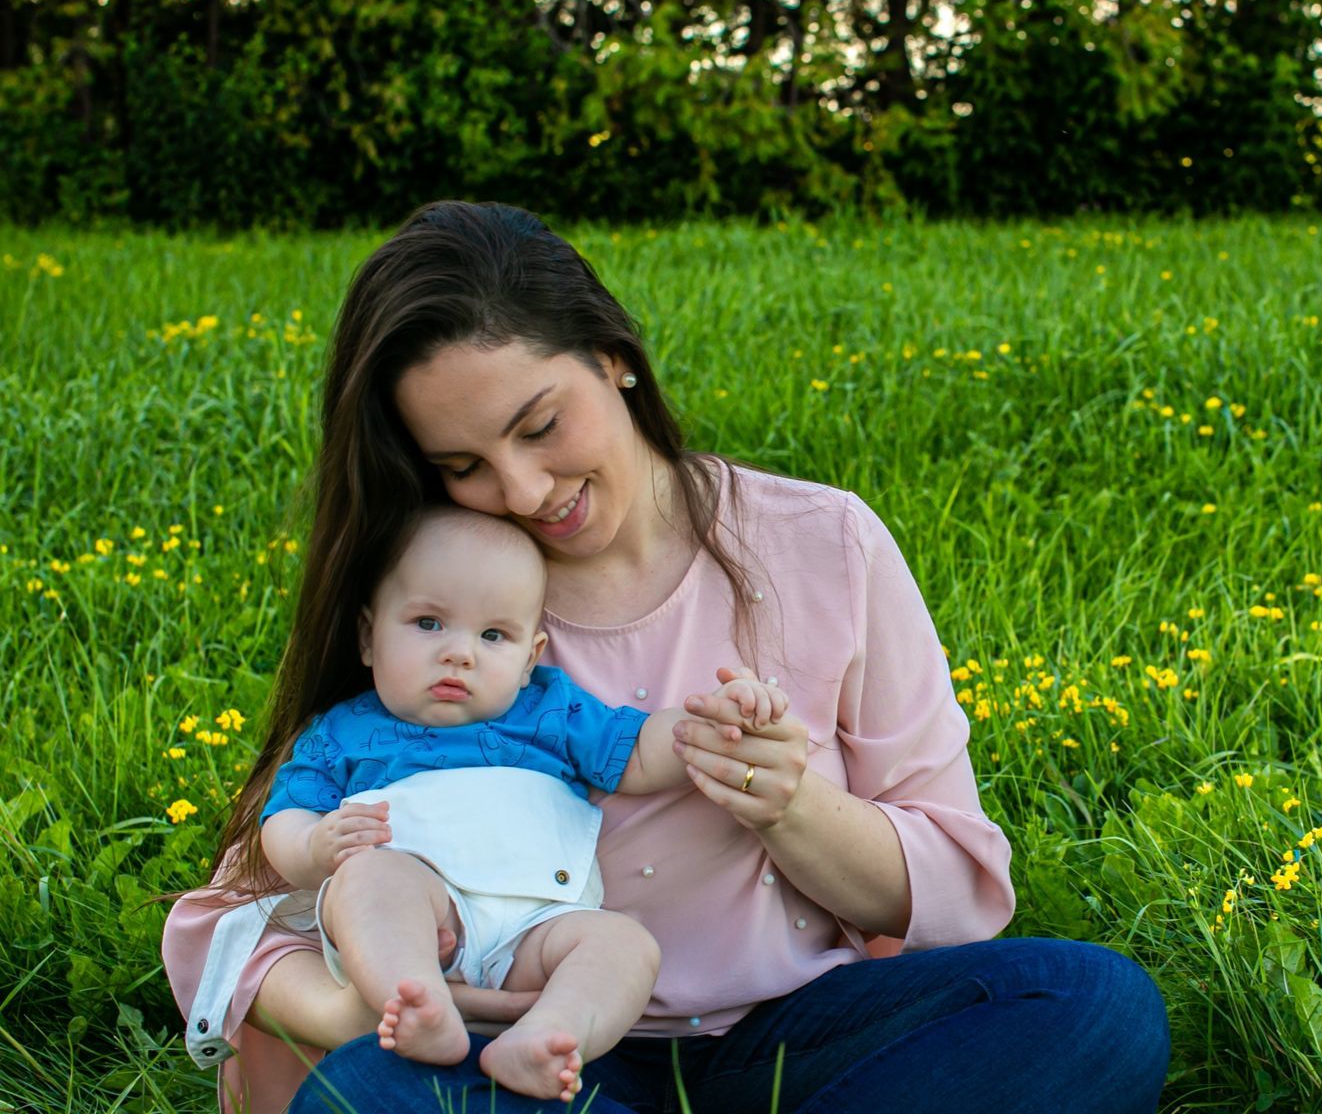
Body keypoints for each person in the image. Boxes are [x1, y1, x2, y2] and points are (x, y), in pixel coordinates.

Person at [163, 200, 1171, 1113]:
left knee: (1093, 1005)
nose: (521, 490)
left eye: (540, 426)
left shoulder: (824, 542)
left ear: (614, 357)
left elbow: (960, 891)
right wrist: (359, 1011)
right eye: (463, 465)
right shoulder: (443, 599)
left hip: (801, 1031)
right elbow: (224, 921)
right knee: (371, 1093)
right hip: (541, 1054)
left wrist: (790, 805)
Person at [253, 503, 787, 1101]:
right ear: (367, 637)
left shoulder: (549, 709)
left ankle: (548, 1036)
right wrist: (313, 846)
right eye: (428, 623)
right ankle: (415, 997)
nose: (460, 653)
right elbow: (285, 816)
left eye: (492, 636)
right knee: (370, 879)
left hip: (540, 923)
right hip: (425, 908)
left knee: (624, 945)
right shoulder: (343, 730)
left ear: (530, 658)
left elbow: (638, 751)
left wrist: (707, 727)